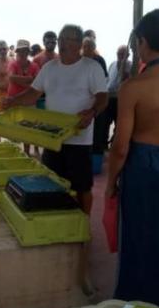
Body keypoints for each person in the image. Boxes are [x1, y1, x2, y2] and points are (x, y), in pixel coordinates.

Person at [8, 24, 108, 289]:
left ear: (79, 43)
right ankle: (56, 224)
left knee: (82, 186)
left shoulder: (91, 67)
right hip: (51, 138)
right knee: (51, 182)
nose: (63, 43)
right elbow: (33, 93)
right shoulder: (49, 68)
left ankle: (83, 228)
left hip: (79, 139)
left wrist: (91, 112)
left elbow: (103, 97)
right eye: (62, 39)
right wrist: (13, 101)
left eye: (69, 39)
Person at [107, 7, 159, 308]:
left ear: (142, 42)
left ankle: (133, 302)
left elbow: (120, 146)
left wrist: (111, 182)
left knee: (138, 236)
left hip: (142, 162)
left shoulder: (134, 88)